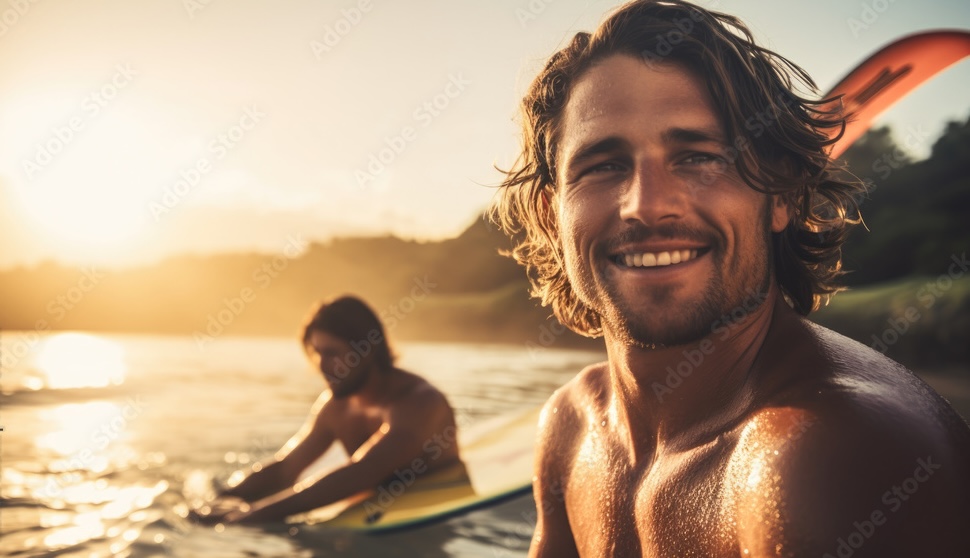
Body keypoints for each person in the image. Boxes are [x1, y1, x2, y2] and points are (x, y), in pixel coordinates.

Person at [490, 1, 970, 556]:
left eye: (698, 157)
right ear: (552, 215)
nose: (647, 205)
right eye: (604, 165)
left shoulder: (819, 457)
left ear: (781, 196)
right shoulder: (571, 426)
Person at [195, 295, 462, 524]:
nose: (321, 366)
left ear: (368, 349)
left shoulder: (420, 402)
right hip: (376, 512)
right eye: (317, 352)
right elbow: (287, 468)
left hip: (442, 519)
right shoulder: (336, 407)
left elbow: (363, 471)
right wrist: (224, 497)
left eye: (332, 353)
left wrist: (253, 515)